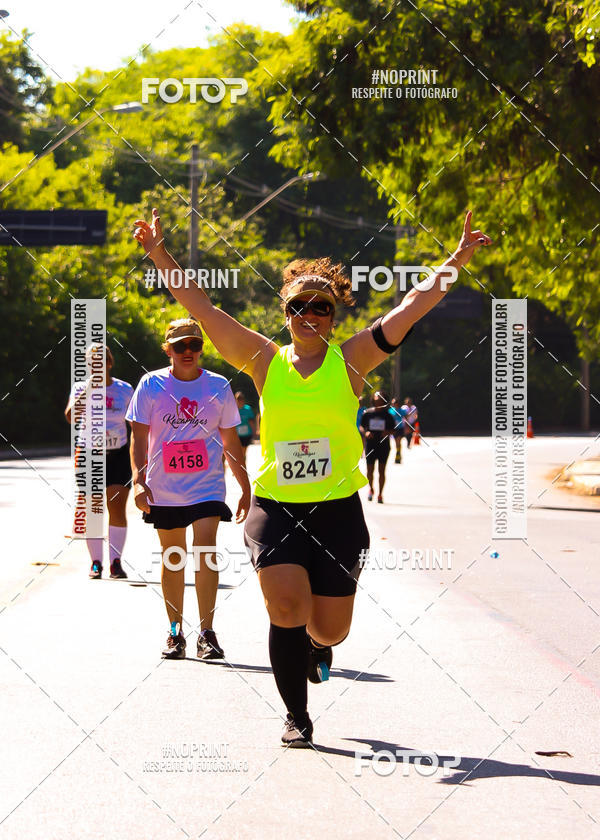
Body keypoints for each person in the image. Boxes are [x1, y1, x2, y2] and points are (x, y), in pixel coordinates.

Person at [133, 207, 490, 746]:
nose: (308, 314)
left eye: (320, 306)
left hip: (337, 511)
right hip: (275, 508)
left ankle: (319, 648)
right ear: (286, 312)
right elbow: (202, 308)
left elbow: (411, 307)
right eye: (298, 306)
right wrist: (159, 253)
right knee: (285, 608)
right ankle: (296, 717)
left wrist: (457, 259)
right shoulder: (263, 360)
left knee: (330, 628)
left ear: (332, 315)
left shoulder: (352, 360)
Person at [126, 319, 251, 661]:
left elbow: (231, 441)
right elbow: (138, 438)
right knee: (173, 555)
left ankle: (207, 633)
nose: (187, 352)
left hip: (206, 485)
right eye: (179, 346)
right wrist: (138, 481)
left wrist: (244, 486)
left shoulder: (218, 385)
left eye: (193, 345)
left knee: (206, 548)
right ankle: (174, 631)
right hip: (164, 487)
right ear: (167, 349)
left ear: (201, 349)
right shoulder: (151, 384)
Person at [65, 343, 133, 580]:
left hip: (118, 454)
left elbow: (136, 422)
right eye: (91, 363)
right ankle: (96, 563)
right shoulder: (80, 387)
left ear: (109, 363)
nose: (96, 367)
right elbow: (71, 417)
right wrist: (88, 390)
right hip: (89, 454)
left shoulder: (124, 389)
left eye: (100, 362)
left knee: (117, 507)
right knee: (94, 509)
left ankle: (116, 562)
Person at [360, 392, 396, 503]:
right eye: (376, 400)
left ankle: (380, 494)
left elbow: (394, 430)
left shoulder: (388, 415)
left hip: (383, 445)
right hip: (371, 445)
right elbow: (361, 426)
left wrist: (387, 432)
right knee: (370, 470)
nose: (378, 402)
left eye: (380, 400)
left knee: (381, 470)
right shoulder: (367, 413)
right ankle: (371, 489)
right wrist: (366, 433)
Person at [235, 391, 256, 467]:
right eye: (238, 399)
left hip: (246, 434)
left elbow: (251, 422)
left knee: (243, 452)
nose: (240, 401)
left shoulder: (247, 409)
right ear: (236, 400)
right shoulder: (234, 410)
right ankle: (240, 466)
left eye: (241, 399)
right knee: (238, 452)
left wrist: (254, 433)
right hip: (237, 435)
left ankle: (243, 465)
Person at [389, 396, 407, 464]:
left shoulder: (401, 410)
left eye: (394, 403)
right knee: (396, 442)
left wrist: (407, 427)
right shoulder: (391, 411)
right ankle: (398, 453)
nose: (393, 404)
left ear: (397, 403)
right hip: (394, 429)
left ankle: (398, 455)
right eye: (392, 403)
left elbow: (406, 417)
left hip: (400, 428)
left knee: (398, 441)